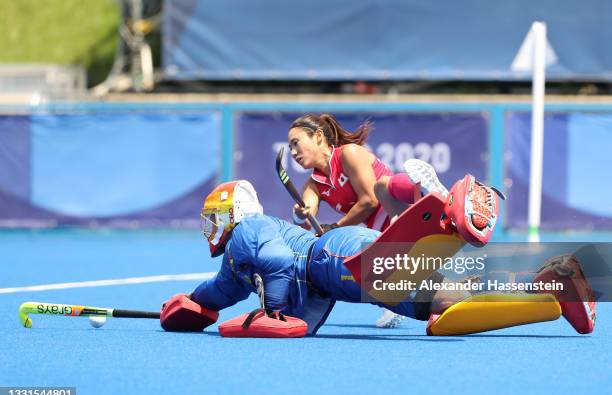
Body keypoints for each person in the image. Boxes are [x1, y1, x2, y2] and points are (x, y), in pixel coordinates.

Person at [159, 180, 597, 337]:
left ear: (231, 215)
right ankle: (548, 281)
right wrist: (195, 304)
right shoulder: (237, 257)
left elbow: (275, 261)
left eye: (213, 219)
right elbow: (223, 289)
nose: (210, 229)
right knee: (439, 302)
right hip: (337, 267)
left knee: (386, 277)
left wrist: (273, 310)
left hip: (332, 258)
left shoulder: (248, 233)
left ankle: (448, 219)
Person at [286, 113, 493, 327]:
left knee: (382, 185)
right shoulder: (313, 185)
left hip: (397, 208)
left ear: (318, 136)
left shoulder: (348, 154)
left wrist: (335, 227)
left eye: (296, 143)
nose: (293, 152)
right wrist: (299, 214)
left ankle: (422, 192)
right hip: (386, 236)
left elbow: (369, 202)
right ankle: (461, 287)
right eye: (290, 147)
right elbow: (307, 219)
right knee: (405, 280)